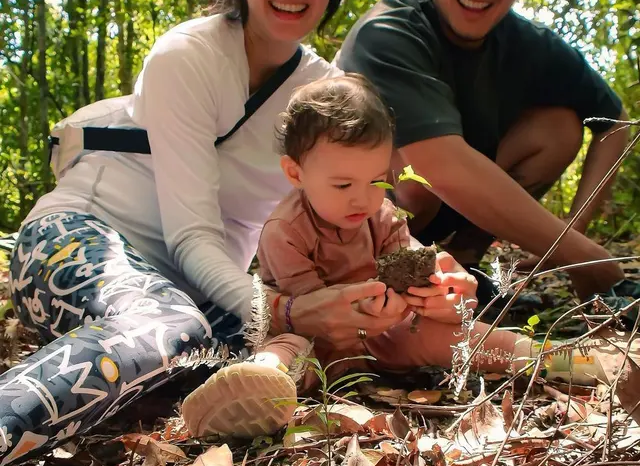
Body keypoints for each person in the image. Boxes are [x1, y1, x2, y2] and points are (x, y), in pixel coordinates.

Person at [0, 0, 408, 466]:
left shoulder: (325, 94)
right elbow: (191, 236)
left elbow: (367, 208)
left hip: (203, 293)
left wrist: (410, 286)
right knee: (174, 325)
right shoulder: (187, 57)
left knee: (293, 356)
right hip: (80, 239)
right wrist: (280, 311)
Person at [181, 75, 608, 439]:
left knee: (463, 333)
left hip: (387, 333)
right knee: (289, 347)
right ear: (296, 174)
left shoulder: (381, 214)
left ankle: (555, 358)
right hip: (319, 341)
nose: (363, 198)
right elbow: (310, 311)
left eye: (376, 179)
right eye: (343, 185)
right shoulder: (284, 231)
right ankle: (256, 386)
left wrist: (446, 294)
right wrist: (362, 309)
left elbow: (412, 262)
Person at [337, 0, 632, 303]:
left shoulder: (530, 45)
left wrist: (573, 231)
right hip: (351, 233)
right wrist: (581, 256)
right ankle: (386, 281)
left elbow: (616, 123)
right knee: (419, 180)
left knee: (559, 127)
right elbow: (440, 165)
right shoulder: (388, 32)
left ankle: (463, 267)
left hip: (446, 220)